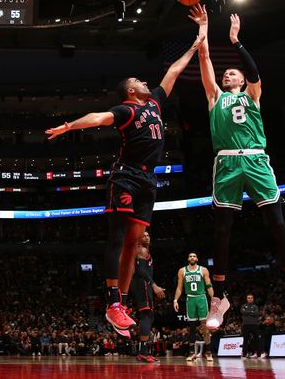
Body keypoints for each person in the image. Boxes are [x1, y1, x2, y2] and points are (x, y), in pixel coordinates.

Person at [46, 35, 205, 336]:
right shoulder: (127, 110)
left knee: (134, 245)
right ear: (131, 91)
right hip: (126, 176)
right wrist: (69, 126)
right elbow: (98, 117)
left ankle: (119, 305)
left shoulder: (156, 102)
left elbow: (172, 72)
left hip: (148, 180)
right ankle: (112, 303)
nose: (145, 81)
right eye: (138, 80)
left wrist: (195, 46)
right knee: (117, 239)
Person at [190, 6, 285, 329]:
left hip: (257, 159)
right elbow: (204, 62)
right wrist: (203, 30)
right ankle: (219, 299)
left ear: (243, 79)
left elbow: (255, 73)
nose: (227, 75)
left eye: (233, 73)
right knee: (222, 230)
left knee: (277, 222)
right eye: (226, 73)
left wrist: (236, 42)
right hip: (228, 161)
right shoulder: (215, 97)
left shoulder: (253, 94)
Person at [128, 230, 165, 363]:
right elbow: (141, 270)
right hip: (142, 283)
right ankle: (143, 352)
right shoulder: (142, 250)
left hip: (142, 284)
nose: (147, 237)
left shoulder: (144, 251)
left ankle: (143, 350)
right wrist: (154, 285)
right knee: (146, 315)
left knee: (149, 316)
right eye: (143, 235)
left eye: (148, 235)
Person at [173, 252, 214, 362]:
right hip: (190, 299)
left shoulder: (203, 270)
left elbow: (209, 285)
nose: (192, 257)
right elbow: (179, 287)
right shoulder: (182, 271)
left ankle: (209, 352)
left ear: (197, 258)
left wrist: (214, 299)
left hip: (201, 298)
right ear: (188, 258)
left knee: (204, 326)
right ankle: (192, 353)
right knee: (191, 328)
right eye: (190, 256)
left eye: (194, 256)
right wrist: (175, 300)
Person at [240, 293, 260, 358]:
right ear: (247, 299)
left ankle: (257, 353)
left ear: (253, 299)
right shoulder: (243, 306)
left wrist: (247, 312)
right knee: (245, 339)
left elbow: (256, 313)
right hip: (245, 324)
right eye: (248, 298)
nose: (250, 299)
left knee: (256, 339)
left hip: (254, 324)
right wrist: (251, 312)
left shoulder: (255, 306)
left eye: (251, 298)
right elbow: (242, 312)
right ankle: (244, 354)